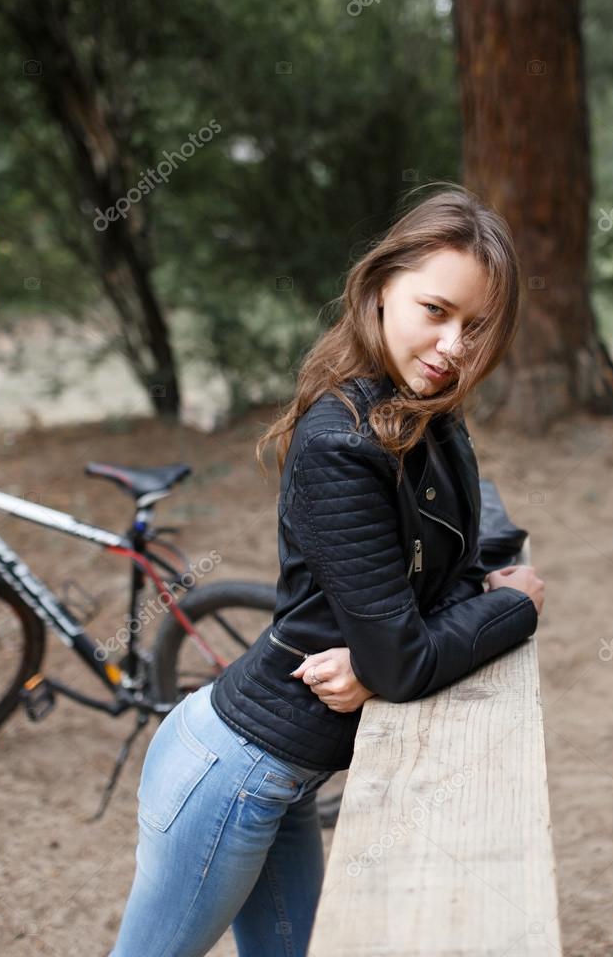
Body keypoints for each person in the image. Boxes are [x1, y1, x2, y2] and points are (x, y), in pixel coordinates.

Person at [108, 183, 547, 957]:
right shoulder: (340, 444)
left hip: (281, 781)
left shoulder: (427, 414)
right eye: (436, 310)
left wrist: (382, 660)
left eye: (477, 327)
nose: (454, 346)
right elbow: (406, 658)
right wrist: (514, 607)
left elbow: (464, 552)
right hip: (230, 772)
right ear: (380, 291)